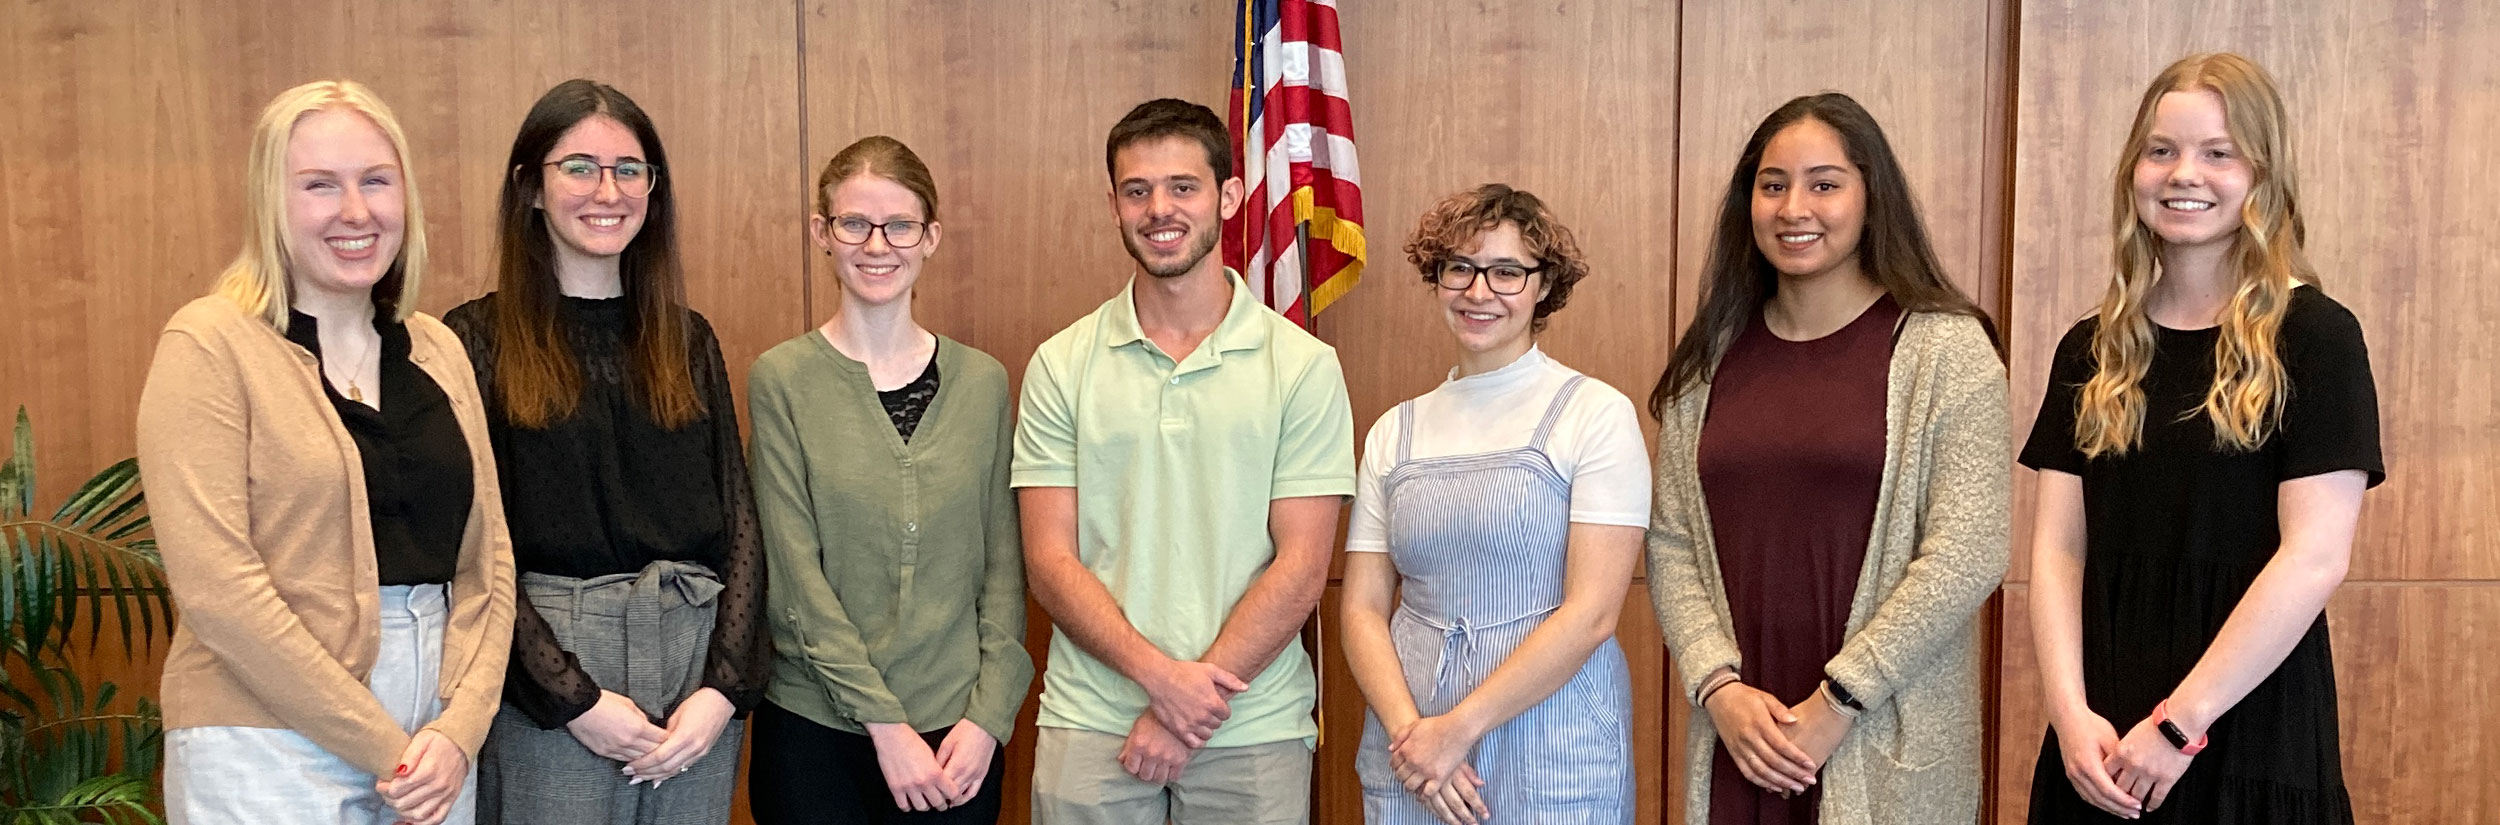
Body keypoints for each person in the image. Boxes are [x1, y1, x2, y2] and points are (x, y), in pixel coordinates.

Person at [138, 79, 516, 825]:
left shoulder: (438, 349)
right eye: (319, 185)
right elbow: (220, 590)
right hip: (263, 742)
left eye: (376, 180)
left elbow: (490, 561)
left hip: (435, 742)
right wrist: (388, 745)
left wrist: (458, 729)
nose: (356, 211)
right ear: (268, 201)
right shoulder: (209, 344)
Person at [2023, 53, 2380, 825]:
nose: (2185, 173)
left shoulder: (2318, 337)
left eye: (2219, 153)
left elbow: (2315, 556)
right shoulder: (2090, 347)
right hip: (2101, 742)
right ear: (2133, 170)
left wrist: (2179, 727)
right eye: (2162, 150)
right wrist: (2067, 713)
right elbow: (2057, 550)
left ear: (2264, 177)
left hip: (2243, 727)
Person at [1645, 92, 2010, 825]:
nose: (1793, 207)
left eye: (1825, 183)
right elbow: (1671, 540)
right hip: (1742, 735)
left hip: (1875, 731)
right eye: (1773, 184)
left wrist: (1841, 698)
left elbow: (1970, 549)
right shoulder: (1709, 359)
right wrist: (1716, 686)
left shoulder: (1946, 348)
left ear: (1872, 197)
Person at [1013, 98, 1355, 825]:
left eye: (1182, 186)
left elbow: (1301, 565)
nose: (1158, 209)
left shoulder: (1302, 367)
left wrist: (1183, 711)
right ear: (1113, 204)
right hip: (1091, 717)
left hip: (1252, 724)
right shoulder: (1060, 364)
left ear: (1229, 195)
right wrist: (1159, 681)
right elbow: (1048, 558)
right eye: (1137, 190)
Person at [442, 79, 765, 825]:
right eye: (579, 166)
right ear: (529, 186)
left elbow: (741, 528)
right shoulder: (475, 340)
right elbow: (474, 549)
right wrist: (572, 699)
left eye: (629, 169)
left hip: (693, 674)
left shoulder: (688, 338)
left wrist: (721, 690)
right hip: (548, 674)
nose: (607, 190)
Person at [743, 135, 1033, 824]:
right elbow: (793, 580)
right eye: (854, 223)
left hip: (958, 739)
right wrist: (885, 726)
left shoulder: (983, 382)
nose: (878, 245)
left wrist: (990, 717)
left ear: (930, 236)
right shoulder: (780, 381)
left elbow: (1002, 566)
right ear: (824, 232)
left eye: (900, 224)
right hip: (816, 732)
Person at [1339, 184, 1646, 825]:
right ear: (1437, 279)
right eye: (1461, 268)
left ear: (1543, 285)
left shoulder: (1594, 414)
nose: (1480, 293)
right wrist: (1414, 737)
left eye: (1507, 272)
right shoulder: (1395, 431)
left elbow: (1592, 614)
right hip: (1411, 749)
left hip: (1553, 740)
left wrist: (1458, 729)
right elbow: (1363, 608)